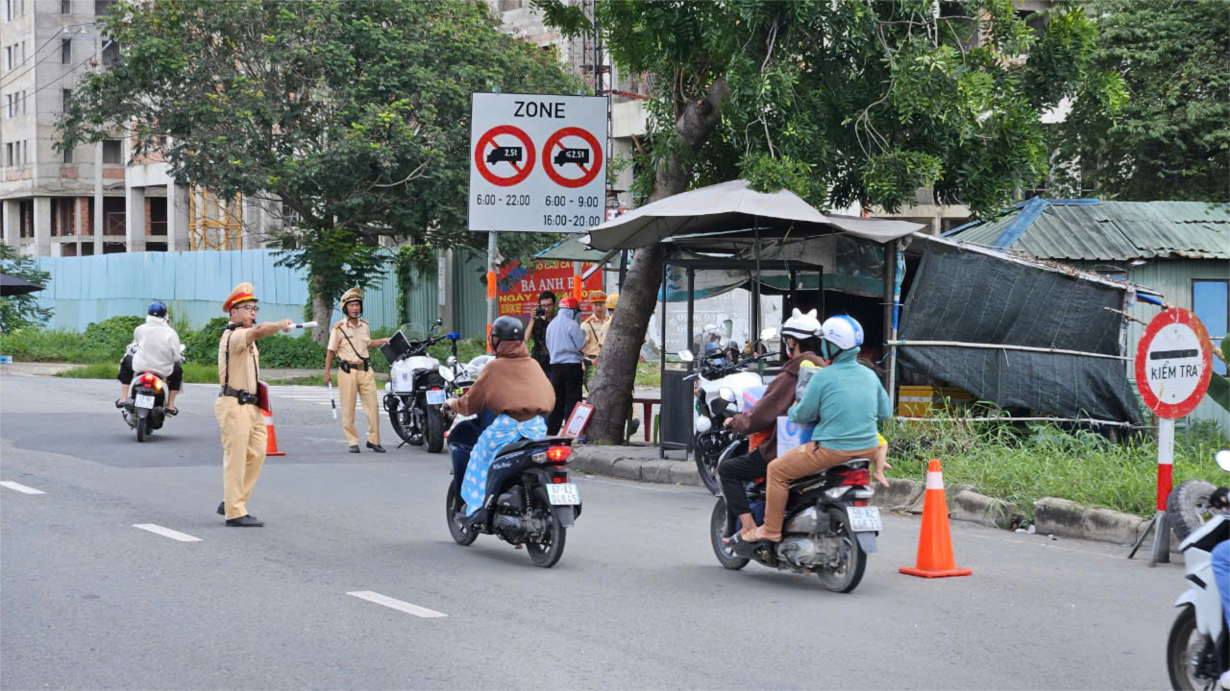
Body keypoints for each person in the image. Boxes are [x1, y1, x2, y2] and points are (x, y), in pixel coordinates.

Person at [747, 315, 892, 543]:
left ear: (833, 346)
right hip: (869, 449)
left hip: (832, 451)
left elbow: (803, 415)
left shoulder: (823, 376)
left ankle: (771, 529)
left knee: (776, 471)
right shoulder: (870, 375)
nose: (822, 346)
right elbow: (886, 413)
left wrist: (794, 409)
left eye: (825, 342)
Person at [719, 309, 824, 542]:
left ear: (791, 342)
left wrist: (735, 422)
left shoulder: (792, 375)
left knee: (728, 470)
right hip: (823, 448)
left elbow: (760, 416)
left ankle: (748, 528)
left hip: (786, 450)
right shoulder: (826, 371)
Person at [445, 315, 555, 516]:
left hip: (507, 428)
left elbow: (471, 404)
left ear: (496, 340)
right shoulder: (533, 364)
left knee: (480, 455)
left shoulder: (494, 367)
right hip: (537, 429)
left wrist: (453, 403)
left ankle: (477, 506)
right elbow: (550, 398)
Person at [214, 282, 292, 527]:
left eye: (255, 308)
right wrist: (279, 325)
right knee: (236, 458)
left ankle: (232, 500)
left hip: (252, 406)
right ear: (233, 312)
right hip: (233, 404)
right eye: (247, 308)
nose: (252, 312)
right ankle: (235, 512)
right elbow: (258, 331)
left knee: (258, 453)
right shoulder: (234, 336)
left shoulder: (246, 338)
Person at [324, 287, 391, 454]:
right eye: (352, 305)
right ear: (346, 308)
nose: (355, 308)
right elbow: (331, 351)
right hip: (347, 371)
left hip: (366, 370)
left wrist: (384, 340)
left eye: (357, 305)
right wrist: (327, 373)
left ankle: (374, 440)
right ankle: (352, 441)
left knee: (373, 407)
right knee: (348, 408)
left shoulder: (364, 326)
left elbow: (367, 343)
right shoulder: (339, 328)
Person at [116, 302, 185, 413]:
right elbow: (177, 357)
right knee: (177, 371)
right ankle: (171, 405)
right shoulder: (171, 333)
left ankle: (124, 397)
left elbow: (137, 345)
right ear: (164, 316)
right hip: (162, 370)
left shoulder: (139, 329)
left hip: (140, 367)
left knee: (126, 361)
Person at [546, 296, 585, 435]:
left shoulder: (551, 325)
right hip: (572, 366)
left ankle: (551, 431)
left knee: (557, 401)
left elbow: (548, 345)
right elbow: (581, 345)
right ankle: (572, 432)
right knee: (573, 400)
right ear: (572, 311)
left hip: (555, 367)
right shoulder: (572, 324)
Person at [581, 290, 609, 392]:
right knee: (593, 392)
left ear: (605, 305)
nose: (598, 308)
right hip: (592, 362)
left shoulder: (610, 321)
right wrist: (582, 363)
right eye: (595, 305)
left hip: (608, 361)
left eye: (601, 304)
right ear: (591, 306)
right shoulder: (586, 324)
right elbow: (583, 346)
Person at [529, 291, 556, 378]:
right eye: (543, 306)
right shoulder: (536, 321)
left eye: (549, 305)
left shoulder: (558, 321)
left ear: (554, 304)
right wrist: (532, 320)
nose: (547, 309)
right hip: (538, 361)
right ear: (539, 306)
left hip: (554, 361)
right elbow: (526, 337)